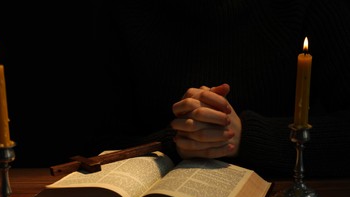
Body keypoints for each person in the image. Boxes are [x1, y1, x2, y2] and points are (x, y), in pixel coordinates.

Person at [92, 0, 350, 178]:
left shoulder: (312, 7)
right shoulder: (125, 10)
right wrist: (182, 137)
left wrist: (246, 138)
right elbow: (94, 142)